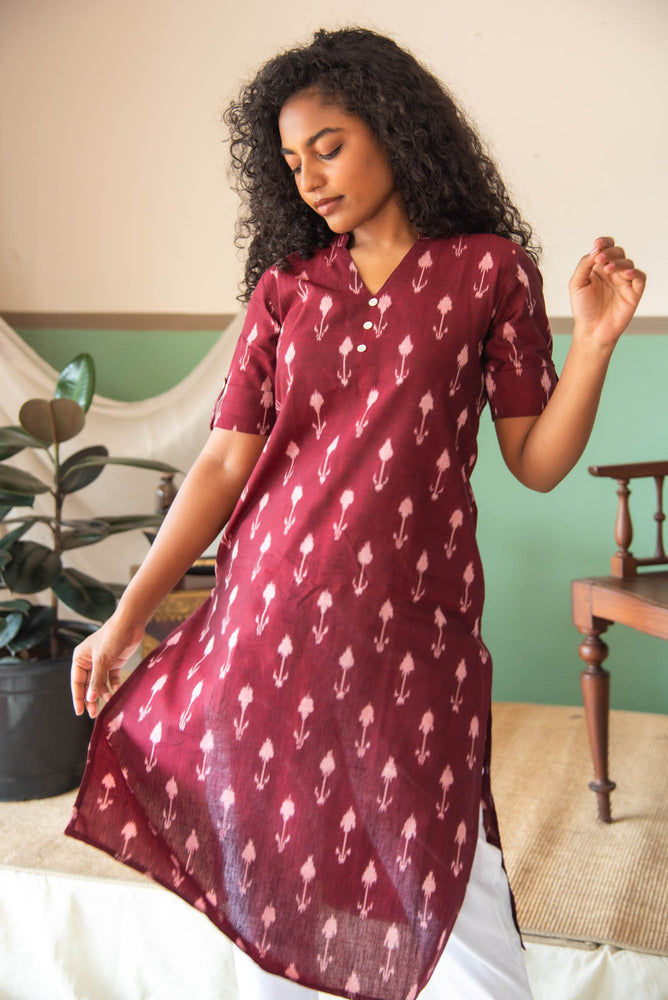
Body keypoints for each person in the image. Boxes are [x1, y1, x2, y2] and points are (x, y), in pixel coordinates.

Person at [67, 26, 645, 1000]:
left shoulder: (487, 271)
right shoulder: (287, 290)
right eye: (292, 162)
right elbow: (222, 463)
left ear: (393, 126)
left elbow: (535, 460)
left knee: (444, 862)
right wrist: (127, 618)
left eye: (328, 147)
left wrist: (591, 343)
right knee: (288, 864)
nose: (310, 178)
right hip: (271, 616)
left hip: (410, 625)